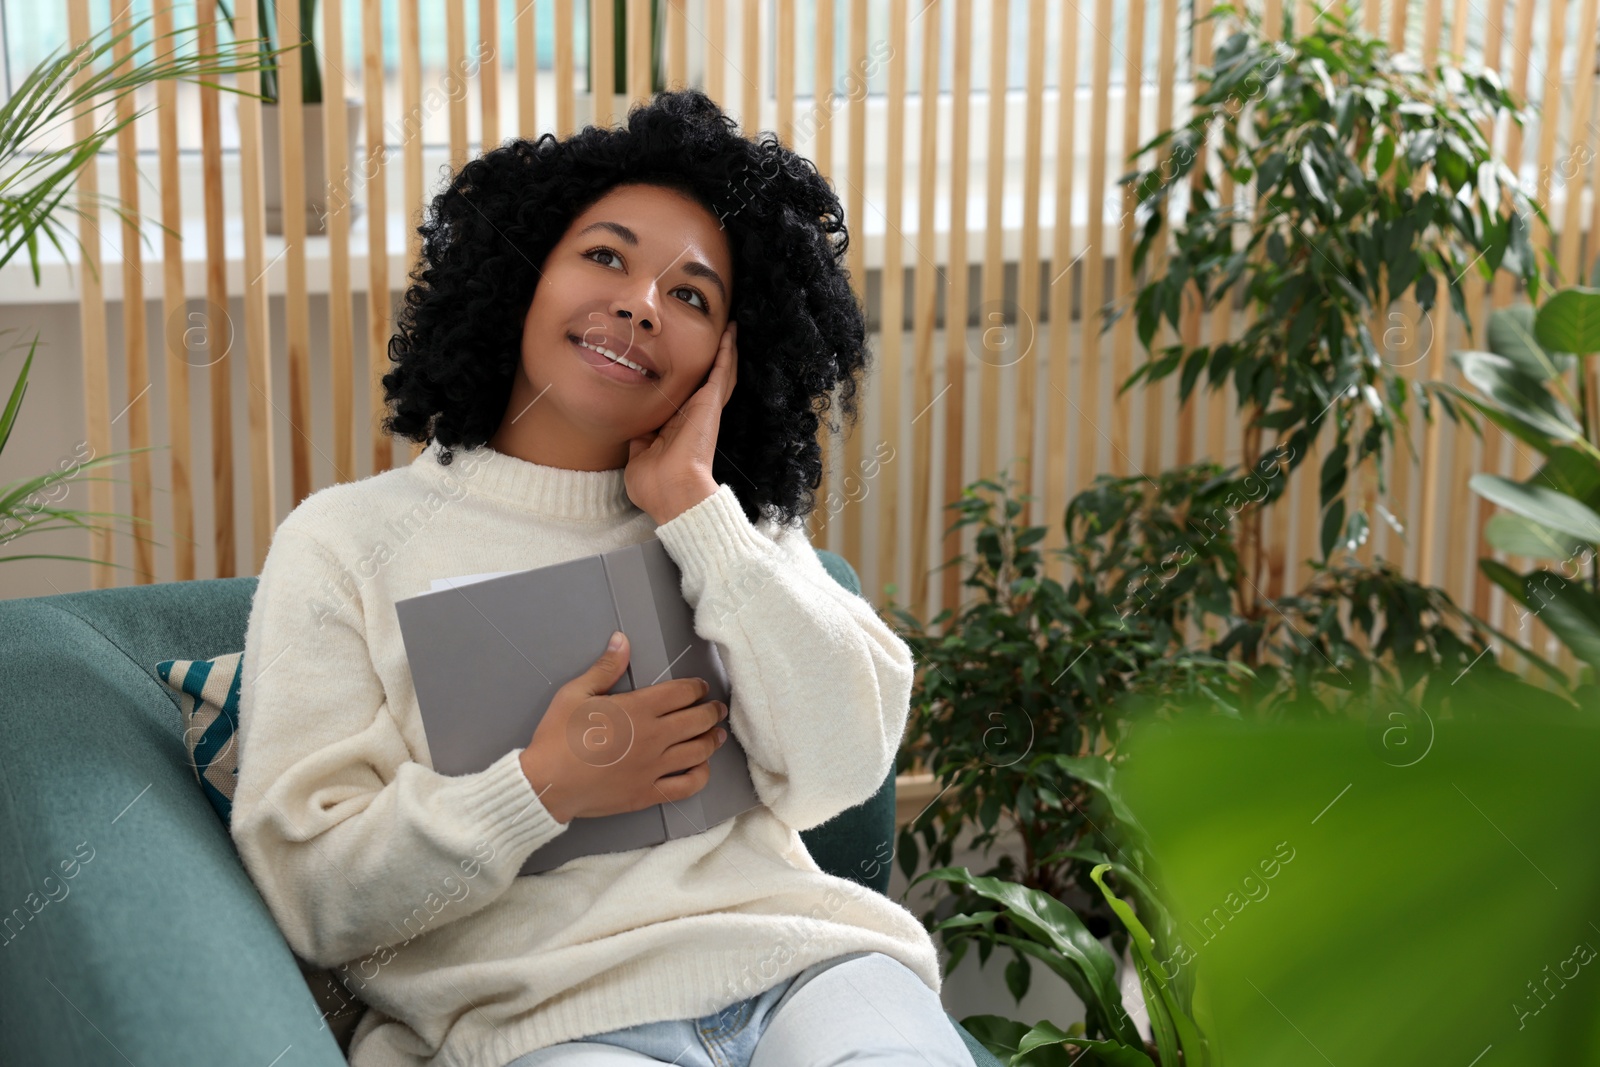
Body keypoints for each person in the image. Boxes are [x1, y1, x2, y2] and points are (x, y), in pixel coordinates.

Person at [230, 89, 979, 1067]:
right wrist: (540, 786)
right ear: (520, 276)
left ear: (726, 357)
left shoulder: (732, 522)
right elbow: (316, 893)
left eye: (693, 296)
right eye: (606, 256)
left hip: (807, 968)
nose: (639, 303)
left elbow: (841, 765)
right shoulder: (343, 543)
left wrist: (696, 514)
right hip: (544, 1019)